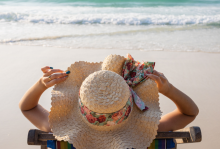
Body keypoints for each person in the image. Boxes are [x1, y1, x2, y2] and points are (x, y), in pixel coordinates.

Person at [19, 66, 199, 133]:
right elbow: (189, 112)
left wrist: (41, 85)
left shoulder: (58, 130)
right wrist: (168, 89)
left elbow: (27, 108)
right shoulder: (151, 130)